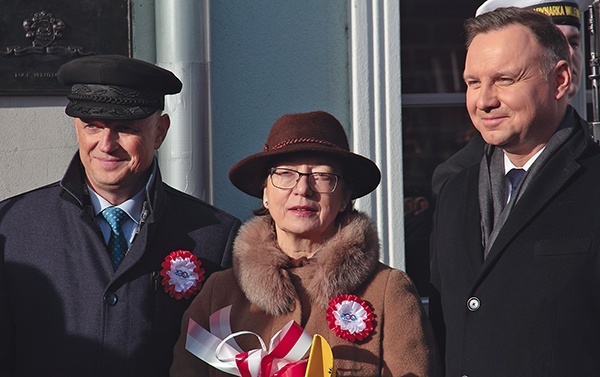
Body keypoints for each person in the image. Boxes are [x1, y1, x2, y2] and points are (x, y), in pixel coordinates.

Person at [0, 55, 241, 377]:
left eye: (125, 128)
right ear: (77, 128)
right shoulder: (13, 228)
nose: (107, 144)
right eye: (93, 127)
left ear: (160, 132)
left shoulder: (215, 236)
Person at [170, 110, 441, 376]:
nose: (303, 189)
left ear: (345, 197)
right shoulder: (218, 294)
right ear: (265, 192)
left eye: (322, 176)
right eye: (286, 174)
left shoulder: (387, 292)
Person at [429, 7, 600, 376]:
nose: (484, 100)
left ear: (559, 80)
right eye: (473, 83)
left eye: (504, 79)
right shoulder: (455, 192)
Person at [430, 0, 593, 199]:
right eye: (553, 42)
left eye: (574, 42)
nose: (568, 53)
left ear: (561, 78)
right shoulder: (461, 181)